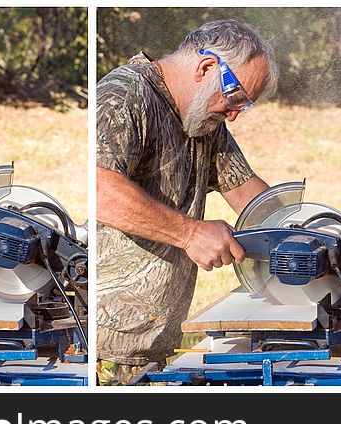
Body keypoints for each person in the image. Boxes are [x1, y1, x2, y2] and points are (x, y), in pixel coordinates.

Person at [96, 19, 278, 385]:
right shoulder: (124, 95)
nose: (233, 114)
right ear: (207, 67)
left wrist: (308, 231)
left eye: (244, 106)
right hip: (106, 348)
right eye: (236, 98)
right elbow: (99, 187)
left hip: (156, 343)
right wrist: (190, 233)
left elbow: (248, 195)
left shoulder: (203, 120)